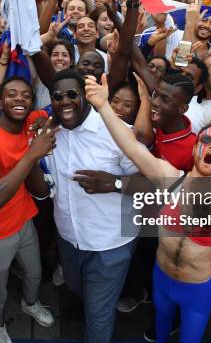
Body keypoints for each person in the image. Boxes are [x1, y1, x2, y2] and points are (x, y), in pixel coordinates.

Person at [84, 73, 211, 343]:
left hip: (197, 290)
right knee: (160, 330)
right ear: (196, 148)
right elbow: (131, 148)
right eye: (206, 141)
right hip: (161, 279)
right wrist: (103, 107)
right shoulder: (171, 180)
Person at [47, 71, 139, 343]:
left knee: (99, 318)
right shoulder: (50, 133)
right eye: (58, 96)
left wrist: (115, 183)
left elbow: (156, 183)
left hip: (110, 245)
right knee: (79, 291)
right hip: (69, 241)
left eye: (72, 94)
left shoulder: (116, 132)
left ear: (86, 96)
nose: (65, 101)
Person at [0, 76, 55, 343]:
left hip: (25, 221)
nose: (19, 99)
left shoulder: (30, 122)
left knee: (34, 273)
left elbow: (48, 116)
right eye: (12, 95)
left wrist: (43, 122)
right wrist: (31, 155)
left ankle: (29, 304)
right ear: (0, 102)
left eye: (25, 95)